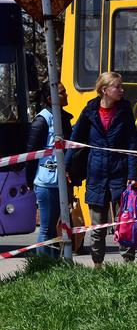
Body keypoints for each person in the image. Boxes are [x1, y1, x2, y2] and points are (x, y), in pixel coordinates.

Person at [66, 72, 137, 267]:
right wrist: (65, 166)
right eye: (118, 86)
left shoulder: (125, 110)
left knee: (124, 223)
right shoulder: (89, 111)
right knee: (98, 228)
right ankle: (98, 265)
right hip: (96, 176)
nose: (122, 90)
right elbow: (75, 140)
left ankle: (128, 264)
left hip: (119, 175)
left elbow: (132, 143)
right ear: (104, 90)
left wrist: (133, 175)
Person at [25, 82, 73, 258]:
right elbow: (31, 154)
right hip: (45, 182)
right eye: (62, 93)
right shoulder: (42, 120)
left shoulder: (63, 118)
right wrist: (28, 180)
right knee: (46, 228)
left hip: (60, 181)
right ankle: (42, 265)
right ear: (49, 98)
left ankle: (53, 265)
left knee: (55, 227)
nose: (66, 95)